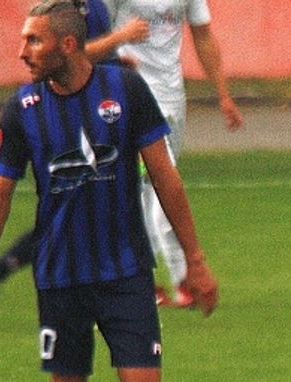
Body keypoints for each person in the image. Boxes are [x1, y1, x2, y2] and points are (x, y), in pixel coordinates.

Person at [0, 0, 219, 382]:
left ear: (68, 45)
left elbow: (164, 175)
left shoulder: (125, 91)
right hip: (61, 276)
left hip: (124, 270)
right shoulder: (22, 110)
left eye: (34, 40)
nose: (22, 52)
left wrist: (194, 259)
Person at [107, 0, 242, 307]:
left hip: (172, 98)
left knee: (158, 186)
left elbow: (203, 35)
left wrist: (223, 94)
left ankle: (146, 278)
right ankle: (174, 278)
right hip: (132, 95)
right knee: (155, 185)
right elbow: (99, 34)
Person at [0, 0, 117, 314]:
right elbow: (77, 54)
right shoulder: (58, 13)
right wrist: (122, 37)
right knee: (67, 215)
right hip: (70, 117)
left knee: (77, 217)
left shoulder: (95, 7)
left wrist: (118, 65)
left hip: (103, 113)